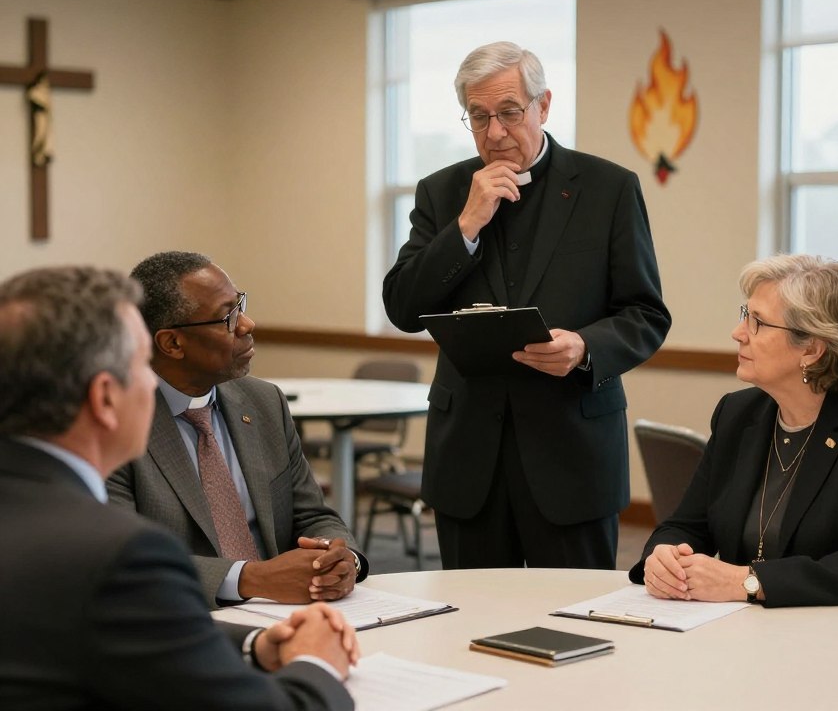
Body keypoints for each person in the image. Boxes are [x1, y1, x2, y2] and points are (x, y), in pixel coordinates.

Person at [0, 266, 358, 710]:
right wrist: (318, 664)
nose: (153, 383)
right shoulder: (116, 554)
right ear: (105, 398)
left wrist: (253, 646)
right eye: (139, 367)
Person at [383, 41, 671, 569]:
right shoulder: (442, 192)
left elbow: (646, 313)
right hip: (468, 456)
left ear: (544, 105)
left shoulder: (608, 189)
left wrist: (585, 346)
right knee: (467, 626)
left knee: (571, 623)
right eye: (478, 117)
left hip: (573, 452)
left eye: (510, 113)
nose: (495, 132)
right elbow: (402, 307)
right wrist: (465, 224)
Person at [632, 254, 838, 619]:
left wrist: (746, 581)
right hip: (761, 631)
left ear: (811, 347)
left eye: (757, 322)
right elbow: (686, 525)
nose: (738, 332)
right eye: (745, 314)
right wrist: (662, 557)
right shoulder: (738, 414)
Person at [107, 251, 368, 608]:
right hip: (183, 618)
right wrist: (252, 580)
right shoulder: (113, 425)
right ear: (172, 343)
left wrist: (342, 559)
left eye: (240, 304)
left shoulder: (263, 402)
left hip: (289, 612)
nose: (247, 324)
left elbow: (312, 515)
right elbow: (123, 559)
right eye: (227, 317)